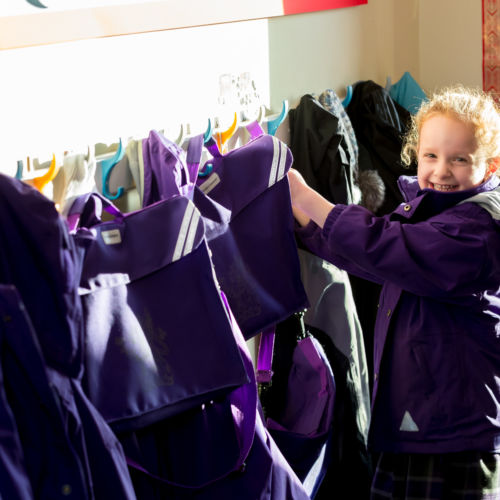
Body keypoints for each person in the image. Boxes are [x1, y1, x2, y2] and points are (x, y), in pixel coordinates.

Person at [288, 85, 500, 499]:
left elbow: (386, 247)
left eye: (460, 159)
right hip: (418, 420)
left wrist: (307, 198)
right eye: (431, 156)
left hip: (456, 433)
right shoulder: (425, 213)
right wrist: (307, 225)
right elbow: (372, 258)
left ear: (490, 165)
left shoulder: (479, 230)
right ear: (415, 155)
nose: (441, 171)